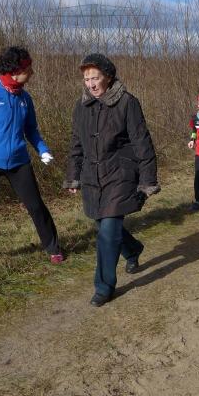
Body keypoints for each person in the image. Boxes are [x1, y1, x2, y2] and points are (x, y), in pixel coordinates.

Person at [63, 53, 160, 307]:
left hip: (120, 175)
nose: (91, 84)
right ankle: (132, 249)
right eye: (87, 79)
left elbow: (142, 142)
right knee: (104, 224)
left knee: (107, 233)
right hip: (92, 178)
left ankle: (104, 287)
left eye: (95, 78)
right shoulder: (81, 107)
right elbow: (76, 144)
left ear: (107, 77)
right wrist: (73, 176)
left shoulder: (127, 103)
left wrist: (147, 179)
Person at [0, 46, 63, 267]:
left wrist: (42, 149)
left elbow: (31, 130)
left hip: (19, 162)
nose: (32, 72)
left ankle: (54, 248)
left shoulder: (25, 98)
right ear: (17, 70)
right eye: (29, 69)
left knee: (36, 206)